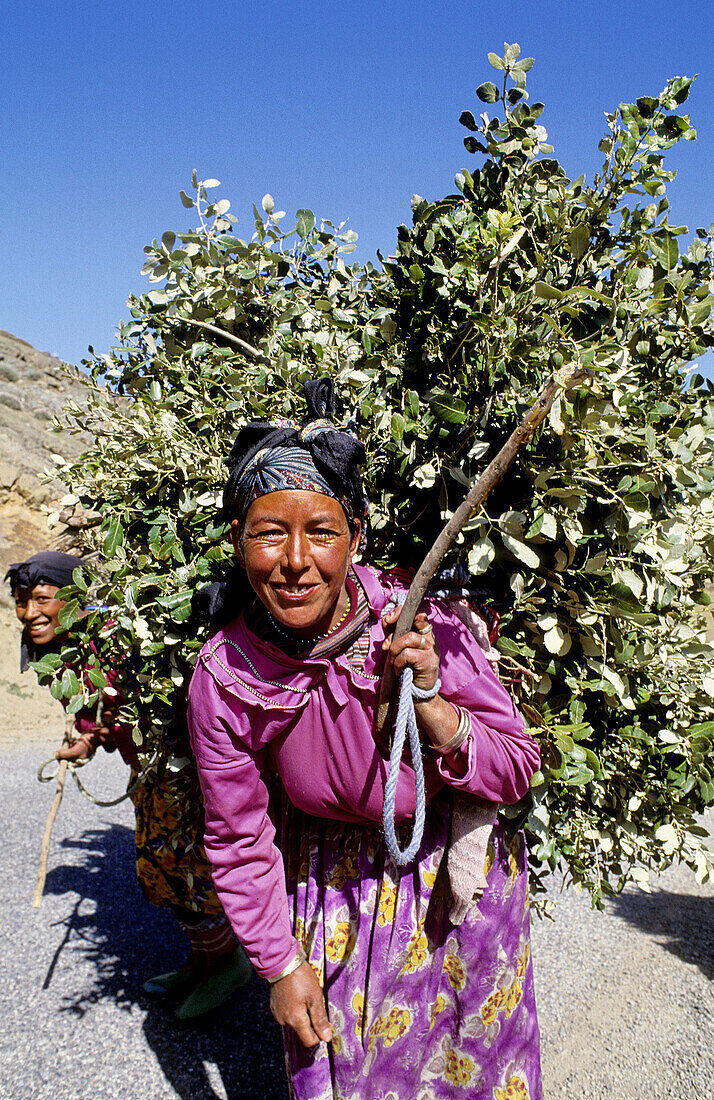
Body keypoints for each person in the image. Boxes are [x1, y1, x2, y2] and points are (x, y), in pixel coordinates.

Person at [187, 379, 542, 1099]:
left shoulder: (419, 625)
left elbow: (513, 773)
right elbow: (238, 835)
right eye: (266, 531)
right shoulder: (225, 676)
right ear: (236, 540)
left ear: (358, 536)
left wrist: (435, 705)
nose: (294, 560)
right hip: (333, 892)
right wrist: (282, 966)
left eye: (321, 531)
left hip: (450, 889)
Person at [7, 549, 251, 1019]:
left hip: (184, 780)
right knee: (164, 873)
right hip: (147, 780)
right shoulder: (72, 651)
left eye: (42, 598)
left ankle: (228, 965)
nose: (29, 612)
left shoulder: (116, 642)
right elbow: (102, 714)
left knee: (188, 872)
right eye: (21, 601)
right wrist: (87, 740)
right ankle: (201, 963)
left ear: (75, 597)